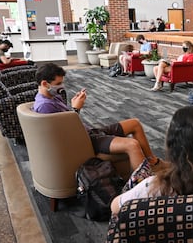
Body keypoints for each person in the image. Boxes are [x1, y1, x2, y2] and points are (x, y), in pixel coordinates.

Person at [33, 63, 161, 171]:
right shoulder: (45, 106)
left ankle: (152, 162)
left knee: (135, 123)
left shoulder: (51, 97)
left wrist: (74, 107)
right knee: (132, 145)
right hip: (85, 140)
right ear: (45, 83)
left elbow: (66, 119)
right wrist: (76, 109)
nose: (62, 86)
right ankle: (143, 187)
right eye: (58, 83)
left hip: (90, 132)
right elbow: (66, 132)